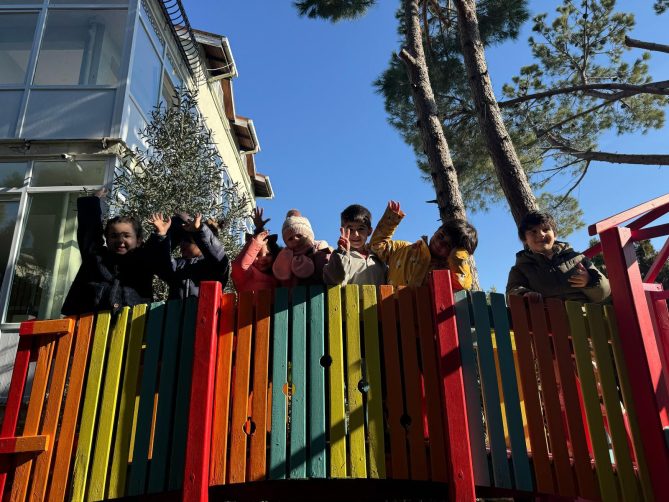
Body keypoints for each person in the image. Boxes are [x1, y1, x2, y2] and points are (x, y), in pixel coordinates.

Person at [61, 187, 169, 315]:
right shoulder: (97, 258)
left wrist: (160, 234)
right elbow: (89, 232)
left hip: (133, 323)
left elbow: (157, 254)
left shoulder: (143, 260)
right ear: (107, 239)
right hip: (89, 324)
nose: (120, 241)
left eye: (127, 236)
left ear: (139, 240)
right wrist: (92, 201)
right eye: (114, 236)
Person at [506, 211, 610, 303]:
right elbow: (512, 293)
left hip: (583, 314)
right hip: (546, 316)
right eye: (533, 231)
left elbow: (604, 293)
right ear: (524, 239)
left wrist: (590, 280)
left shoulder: (577, 258)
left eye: (546, 229)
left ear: (555, 235)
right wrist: (524, 295)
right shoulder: (521, 268)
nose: (541, 234)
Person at [370, 200, 477, 289]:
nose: (440, 243)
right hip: (390, 306)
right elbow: (377, 246)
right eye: (440, 236)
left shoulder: (450, 274)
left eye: (448, 245)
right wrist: (390, 220)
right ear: (436, 231)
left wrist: (458, 257)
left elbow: (462, 286)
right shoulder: (404, 249)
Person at [155, 212, 230, 299]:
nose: (182, 244)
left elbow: (217, 253)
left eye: (187, 240)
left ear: (200, 243)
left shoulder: (215, 267)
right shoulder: (178, 265)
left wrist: (200, 230)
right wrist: (162, 235)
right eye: (181, 240)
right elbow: (159, 263)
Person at [323, 204, 386, 286]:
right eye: (350, 229)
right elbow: (335, 280)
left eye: (361, 229)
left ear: (369, 231)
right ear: (343, 230)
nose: (355, 234)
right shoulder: (339, 257)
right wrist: (342, 252)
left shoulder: (378, 256)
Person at [272, 209, 332, 287]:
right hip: (295, 292)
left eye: (299, 236)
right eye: (290, 238)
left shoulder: (319, 249)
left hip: (320, 290)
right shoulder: (285, 255)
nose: (295, 239)